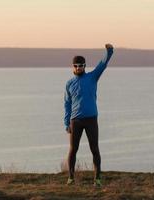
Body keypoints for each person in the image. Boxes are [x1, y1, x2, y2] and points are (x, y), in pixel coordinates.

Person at [64, 44, 114, 187]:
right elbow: (67, 104)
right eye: (75, 65)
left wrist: (109, 51)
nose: (78, 68)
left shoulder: (92, 77)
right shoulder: (69, 84)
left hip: (91, 119)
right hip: (76, 121)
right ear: (72, 67)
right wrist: (66, 123)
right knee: (73, 150)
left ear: (84, 66)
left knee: (94, 149)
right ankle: (71, 178)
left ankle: (97, 179)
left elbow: (102, 64)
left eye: (80, 65)